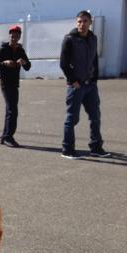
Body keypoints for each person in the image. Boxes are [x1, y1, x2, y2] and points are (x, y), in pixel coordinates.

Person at [60, 10, 110, 159]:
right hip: (76, 86)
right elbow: (63, 64)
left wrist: (95, 79)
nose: (82, 24)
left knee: (95, 116)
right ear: (76, 23)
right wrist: (73, 81)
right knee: (72, 118)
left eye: (85, 21)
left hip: (90, 86)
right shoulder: (69, 39)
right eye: (79, 22)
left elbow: (94, 59)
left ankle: (96, 147)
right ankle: (67, 149)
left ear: (90, 23)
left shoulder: (93, 38)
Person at [0, 25, 31, 148]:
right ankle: (9, 137)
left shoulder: (20, 50)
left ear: (19, 37)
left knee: (10, 110)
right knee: (12, 110)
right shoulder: (2, 50)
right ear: (9, 36)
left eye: (16, 36)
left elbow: (28, 66)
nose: (14, 38)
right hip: (5, 83)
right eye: (12, 36)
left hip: (15, 84)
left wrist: (24, 62)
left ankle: (5, 136)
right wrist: (4, 63)